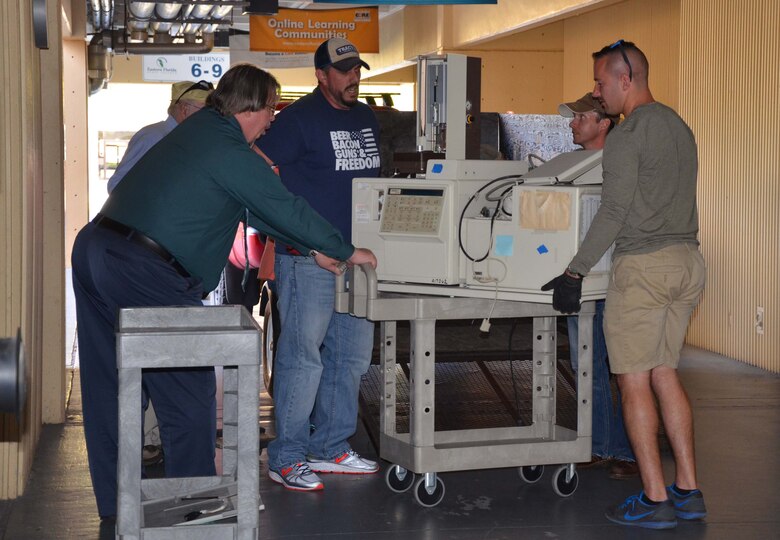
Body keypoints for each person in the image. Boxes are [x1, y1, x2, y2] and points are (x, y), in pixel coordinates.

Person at [72, 63, 377, 520]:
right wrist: (345, 249)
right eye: (271, 109)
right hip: (144, 269)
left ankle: (116, 508)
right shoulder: (230, 148)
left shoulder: (203, 134)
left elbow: (255, 211)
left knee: (111, 390)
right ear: (249, 107)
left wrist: (313, 250)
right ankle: (194, 512)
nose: (273, 119)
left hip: (97, 250)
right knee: (189, 390)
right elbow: (280, 203)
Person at [542, 40, 706, 529]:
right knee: (664, 372)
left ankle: (655, 498)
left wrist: (574, 271)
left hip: (645, 270)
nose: (597, 93)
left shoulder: (628, 135)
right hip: (688, 263)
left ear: (626, 78)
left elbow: (613, 212)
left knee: (632, 381)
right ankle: (688, 489)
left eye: (600, 82)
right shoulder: (680, 126)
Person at [256, 37, 381, 491]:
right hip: (308, 260)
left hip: (356, 259)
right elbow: (256, 171)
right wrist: (303, 240)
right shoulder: (296, 120)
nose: (354, 77)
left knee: (350, 358)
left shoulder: (367, 117)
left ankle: (329, 447)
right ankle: (285, 455)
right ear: (321, 75)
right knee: (303, 359)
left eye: (357, 69)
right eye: (344, 70)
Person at [558, 93, 637, 480]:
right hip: (587, 278)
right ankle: (604, 445)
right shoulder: (576, 166)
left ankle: (620, 448)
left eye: (580, 117)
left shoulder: (613, 166)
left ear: (603, 123)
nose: (572, 123)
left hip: (609, 279)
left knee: (619, 368)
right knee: (589, 366)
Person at [107, 80, 213, 193]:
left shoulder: (189, 140)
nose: (209, 116)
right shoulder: (153, 137)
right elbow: (117, 185)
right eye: (204, 110)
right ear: (184, 109)